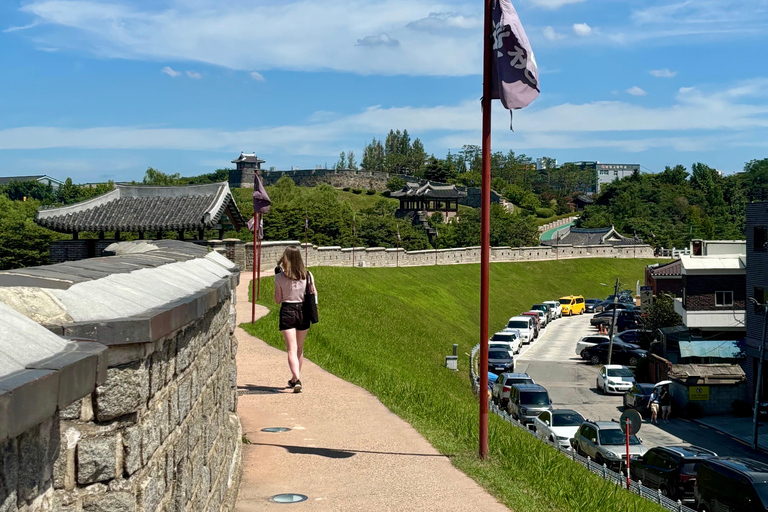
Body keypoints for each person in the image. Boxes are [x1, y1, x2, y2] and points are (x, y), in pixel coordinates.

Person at [274, 246, 316, 393]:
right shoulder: (308, 275)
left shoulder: (279, 277)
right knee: (299, 348)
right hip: (303, 311)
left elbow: (277, 300)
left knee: (291, 348)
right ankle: (294, 379)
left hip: (287, 310)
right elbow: (314, 295)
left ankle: (297, 379)